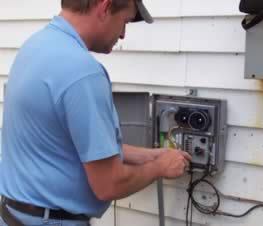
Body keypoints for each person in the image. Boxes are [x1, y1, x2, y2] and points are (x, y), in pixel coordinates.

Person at [0, 0, 191, 225]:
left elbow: (70, 144)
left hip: (14, 214)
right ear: (105, 7)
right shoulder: (82, 72)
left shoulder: (38, 46)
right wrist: (160, 167)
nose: (123, 35)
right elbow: (109, 184)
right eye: (125, 22)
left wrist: (150, 155)